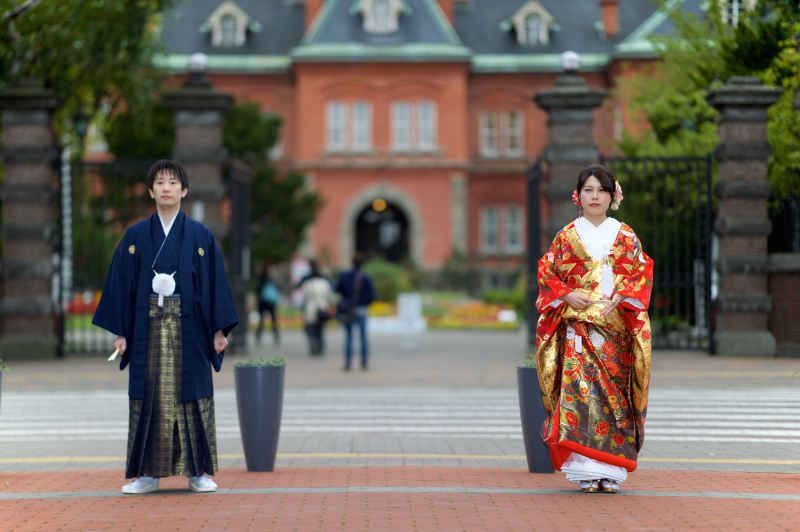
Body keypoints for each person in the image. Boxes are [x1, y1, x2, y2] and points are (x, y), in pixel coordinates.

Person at [92, 160, 238, 495]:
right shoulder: (136, 235)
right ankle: (147, 474)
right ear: (151, 191)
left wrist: (218, 330)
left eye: (173, 182)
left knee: (192, 396)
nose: (167, 188)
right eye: (160, 182)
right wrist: (122, 332)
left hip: (192, 332)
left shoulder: (201, 235)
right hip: (147, 331)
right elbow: (122, 284)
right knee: (150, 398)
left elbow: (215, 285)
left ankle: (197, 471)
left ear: (184, 190)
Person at [535, 165, 653, 494]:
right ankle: (586, 470)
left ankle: (610, 469)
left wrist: (624, 294)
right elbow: (547, 271)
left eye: (601, 190)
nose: (595, 196)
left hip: (616, 327)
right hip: (579, 326)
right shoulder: (566, 235)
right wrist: (564, 293)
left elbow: (642, 271)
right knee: (580, 394)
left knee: (615, 397)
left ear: (613, 195)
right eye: (588, 190)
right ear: (579, 196)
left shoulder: (626, 235)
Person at [336, 252, 376, 370]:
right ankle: (364, 363)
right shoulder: (366, 277)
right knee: (363, 337)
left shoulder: (344, 275)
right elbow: (373, 295)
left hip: (349, 309)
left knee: (349, 337)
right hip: (362, 309)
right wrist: (364, 303)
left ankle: (348, 363)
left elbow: (338, 290)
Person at [301, 260, 337, 355]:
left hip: (310, 309)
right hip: (322, 308)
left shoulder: (307, 283)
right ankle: (320, 347)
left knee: (311, 329)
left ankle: (313, 345)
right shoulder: (325, 283)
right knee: (320, 330)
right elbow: (331, 297)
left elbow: (304, 297)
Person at [256, 263, 281, 345]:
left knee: (270, 320)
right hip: (266, 302)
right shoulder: (269, 279)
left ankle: (274, 337)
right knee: (266, 321)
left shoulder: (264, 279)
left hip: (266, 302)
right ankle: (261, 337)